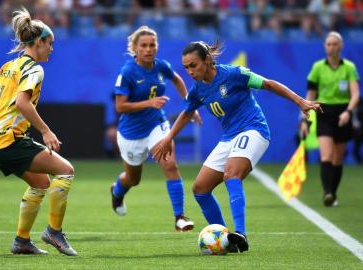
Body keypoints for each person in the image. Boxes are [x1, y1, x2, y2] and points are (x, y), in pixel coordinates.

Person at [153, 41, 322, 252]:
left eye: (193, 65)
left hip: (254, 130)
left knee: (231, 174)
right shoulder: (198, 90)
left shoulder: (234, 74)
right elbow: (188, 112)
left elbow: (268, 84)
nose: (189, 71)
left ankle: (240, 233)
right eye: (186, 67)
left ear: (207, 60)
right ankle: (225, 239)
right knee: (200, 189)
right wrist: (169, 137)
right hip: (229, 137)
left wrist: (301, 102)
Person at [0, 8, 77, 256]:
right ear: (38, 42)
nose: (52, 48)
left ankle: (22, 241)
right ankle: (54, 232)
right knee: (65, 171)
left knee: (40, 182)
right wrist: (46, 131)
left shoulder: (8, 66)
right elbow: (23, 103)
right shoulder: (34, 69)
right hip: (5, 138)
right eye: (50, 43)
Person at [110, 25, 202, 231]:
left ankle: (180, 217)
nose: (149, 49)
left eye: (152, 45)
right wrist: (148, 103)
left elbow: (177, 79)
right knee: (133, 179)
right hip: (131, 133)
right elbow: (120, 106)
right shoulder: (127, 72)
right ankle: (117, 192)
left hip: (157, 125)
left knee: (170, 165)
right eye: (144, 45)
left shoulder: (161, 66)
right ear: (134, 47)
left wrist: (191, 106)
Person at [300, 31, 360, 207]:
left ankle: (333, 192)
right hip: (324, 112)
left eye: (335, 44)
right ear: (325, 46)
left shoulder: (349, 67)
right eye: (328, 44)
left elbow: (355, 94)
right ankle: (327, 193)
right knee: (326, 155)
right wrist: (305, 119)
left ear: (340, 46)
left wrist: (348, 111)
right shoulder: (318, 67)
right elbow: (310, 95)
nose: (331, 47)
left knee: (337, 159)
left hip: (343, 112)